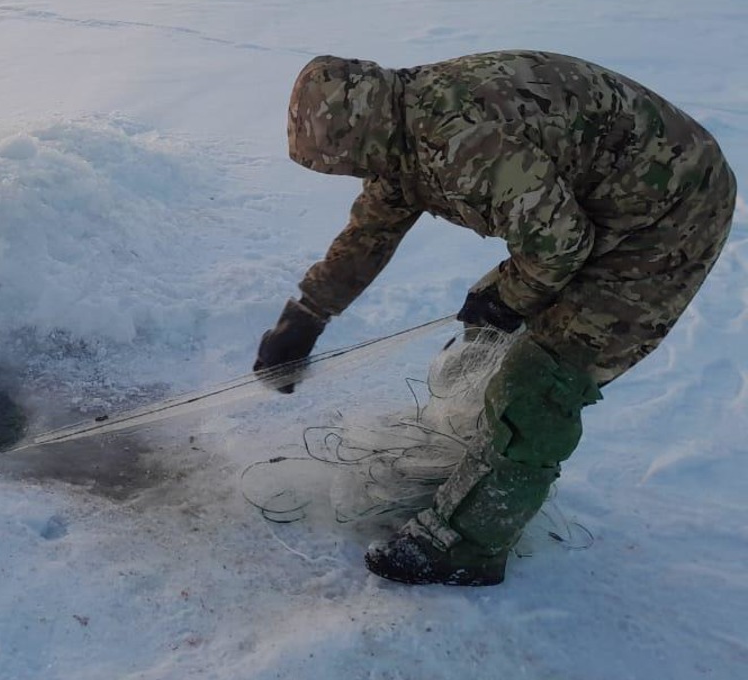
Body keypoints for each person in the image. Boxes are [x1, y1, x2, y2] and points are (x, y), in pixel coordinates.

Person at [255, 50, 735, 586]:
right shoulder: (400, 124)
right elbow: (372, 231)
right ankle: (477, 451)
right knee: (491, 332)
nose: (354, 173)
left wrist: (510, 298)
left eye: (346, 161)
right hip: (601, 202)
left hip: (669, 214)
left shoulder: (463, 143)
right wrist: (307, 315)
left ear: (363, 133)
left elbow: (558, 248)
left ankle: (467, 544)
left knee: (545, 376)